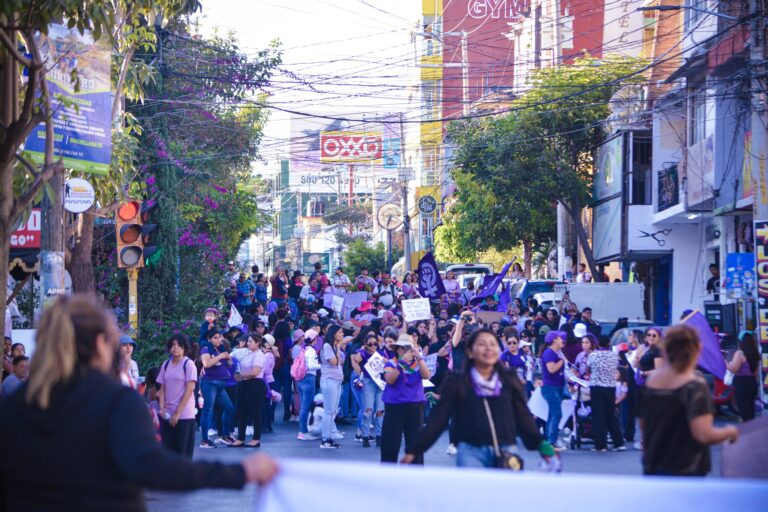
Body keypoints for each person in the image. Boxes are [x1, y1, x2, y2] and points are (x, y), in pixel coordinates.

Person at [0, 295, 278, 511]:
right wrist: (241, 472)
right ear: (100, 344)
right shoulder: (115, 401)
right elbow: (151, 466)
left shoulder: (15, 405)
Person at [403, 328, 555, 467]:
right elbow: (438, 419)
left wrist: (541, 444)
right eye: (482, 344)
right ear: (470, 352)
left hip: (507, 449)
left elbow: (522, 414)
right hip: (471, 451)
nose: (488, 348)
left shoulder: (509, 378)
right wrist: (415, 450)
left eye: (492, 344)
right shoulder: (457, 381)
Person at [639, 325, 739, 476]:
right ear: (697, 349)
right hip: (686, 467)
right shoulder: (695, 385)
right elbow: (703, 434)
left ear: (665, 350)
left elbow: (643, 424)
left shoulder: (651, 381)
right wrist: (729, 432)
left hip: (654, 463)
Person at [380, 334, 430, 463]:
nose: (404, 350)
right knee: (390, 442)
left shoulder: (418, 363)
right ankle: (387, 473)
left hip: (415, 405)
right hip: (395, 406)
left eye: (407, 348)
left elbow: (426, 376)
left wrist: (419, 358)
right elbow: (390, 380)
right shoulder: (391, 363)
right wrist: (401, 364)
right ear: (397, 349)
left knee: (415, 442)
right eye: (401, 348)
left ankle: (416, 474)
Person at [157, 334, 198, 457]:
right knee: (168, 451)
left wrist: (177, 413)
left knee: (183, 453)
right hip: (167, 414)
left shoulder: (189, 364)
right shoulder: (166, 364)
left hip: (184, 414)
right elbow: (162, 387)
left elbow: (189, 389)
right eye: (173, 345)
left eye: (179, 345)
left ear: (184, 347)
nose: (175, 348)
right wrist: (162, 408)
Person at [587, 336, 626, 452]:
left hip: (596, 386)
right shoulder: (614, 355)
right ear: (609, 344)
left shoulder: (593, 355)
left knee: (598, 416)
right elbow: (616, 368)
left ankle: (601, 445)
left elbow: (588, 369)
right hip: (610, 387)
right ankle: (618, 443)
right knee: (611, 414)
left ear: (598, 344)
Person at [199, 330, 237, 448]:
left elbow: (229, 364)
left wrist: (227, 358)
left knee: (230, 408)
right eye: (215, 338)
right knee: (208, 411)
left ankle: (225, 435)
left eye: (219, 337)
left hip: (221, 383)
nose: (218, 340)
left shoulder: (219, 348)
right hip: (210, 383)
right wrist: (220, 356)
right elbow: (206, 364)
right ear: (209, 339)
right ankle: (205, 440)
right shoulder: (206, 348)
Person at [351, 331, 386, 447]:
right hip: (368, 382)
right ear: (366, 344)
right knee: (368, 410)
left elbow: (388, 364)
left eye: (375, 343)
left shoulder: (381, 353)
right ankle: (365, 435)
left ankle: (379, 436)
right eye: (370, 344)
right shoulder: (363, 353)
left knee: (380, 410)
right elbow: (356, 359)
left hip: (380, 383)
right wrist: (363, 349)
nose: (373, 346)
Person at [232, 333, 267, 448]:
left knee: (255, 412)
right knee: (242, 412)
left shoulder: (259, 355)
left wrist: (241, 375)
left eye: (251, 341)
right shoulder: (248, 353)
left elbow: (255, 372)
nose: (248, 343)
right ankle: (240, 438)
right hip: (244, 385)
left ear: (258, 343)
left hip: (255, 385)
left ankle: (256, 438)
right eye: (248, 341)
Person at [319, 324, 347, 449]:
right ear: (334, 333)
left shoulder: (335, 346)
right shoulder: (327, 346)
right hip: (329, 380)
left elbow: (341, 361)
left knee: (334, 410)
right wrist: (338, 347)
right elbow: (334, 362)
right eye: (340, 332)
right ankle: (325, 439)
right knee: (329, 410)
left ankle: (330, 435)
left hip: (337, 381)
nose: (342, 334)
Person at [540, 330, 568, 450]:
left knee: (552, 414)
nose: (563, 340)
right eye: (560, 338)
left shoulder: (557, 353)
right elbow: (551, 369)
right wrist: (561, 361)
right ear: (554, 340)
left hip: (556, 386)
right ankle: (552, 442)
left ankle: (548, 440)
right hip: (551, 387)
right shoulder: (550, 353)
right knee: (556, 414)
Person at [726, 331, 760, 422]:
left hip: (742, 384)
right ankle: (752, 432)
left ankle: (748, 433)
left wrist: (724, 361)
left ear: (741, 342)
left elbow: (734, 369)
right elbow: (756, 373)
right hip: (752, 383)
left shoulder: (740, 353)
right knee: (751, 411)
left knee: (745, 412)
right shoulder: (755, 354)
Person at [295, 330, 322, 441]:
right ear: (314, 339)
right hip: (309, 379)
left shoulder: (303, 349)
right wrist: (321, 365)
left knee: (303, 407)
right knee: (306, 407)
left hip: (300, 379)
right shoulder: (311, 351)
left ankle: (302, 431)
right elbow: (311, 365)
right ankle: (303, 432)